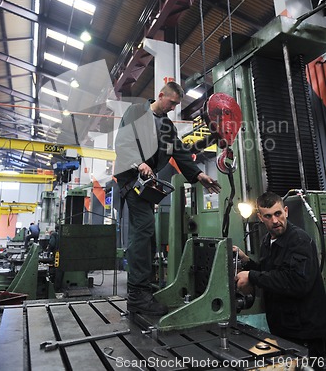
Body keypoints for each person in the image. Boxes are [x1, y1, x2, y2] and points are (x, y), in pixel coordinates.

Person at [114, 81, 221, 316]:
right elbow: (122, 142)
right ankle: (137, 296)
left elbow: (181, 152)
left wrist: (199, 174)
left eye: (176, 104)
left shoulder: (167, 126)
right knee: (142, 230)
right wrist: (139, 163)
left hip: (146, 183)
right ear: (161, 95)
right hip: (131, 178)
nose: (173, 107)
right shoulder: (136, 113)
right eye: (172, 102)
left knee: (147, 233)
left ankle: (142, 289)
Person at [235, 191, 326, 368]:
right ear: (260, 217)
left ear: (286, 211)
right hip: (283, 329)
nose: (275, 221)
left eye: (278, 214)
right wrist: (246, 262)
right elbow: (268, 273)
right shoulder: (267, 241)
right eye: (268, 216)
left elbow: (297, 283)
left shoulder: (299, 241)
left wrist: (252, 276)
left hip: (305, 332)